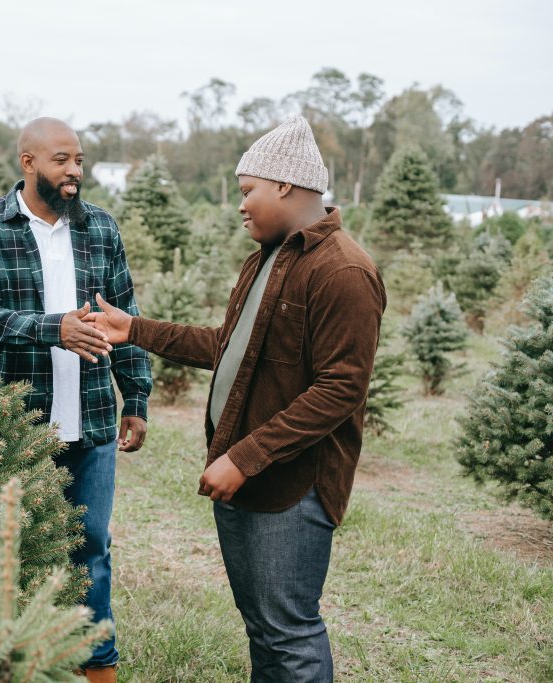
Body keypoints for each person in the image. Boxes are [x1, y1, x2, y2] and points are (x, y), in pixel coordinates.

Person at [87, 115, 386, 682]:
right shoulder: (270, 257)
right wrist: (137, 330)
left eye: (248, 191)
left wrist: (244, 457)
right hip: (249, 480)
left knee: (289, 634)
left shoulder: (342, 270)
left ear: (286, 186)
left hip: (290, 487)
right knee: (264, 630)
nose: (241, 205)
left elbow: (340, 390)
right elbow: (231, 349)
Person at [0, 117, 152, 682]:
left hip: (91, 420)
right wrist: (54, 329)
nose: (74, 172)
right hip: (17, 425)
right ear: (28, 162)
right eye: (62, 160)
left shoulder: (99, 229)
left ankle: (99, 670)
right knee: (8, 555)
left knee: (91, 549)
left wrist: (135, 398)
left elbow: (127, 317)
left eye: (80, 161)